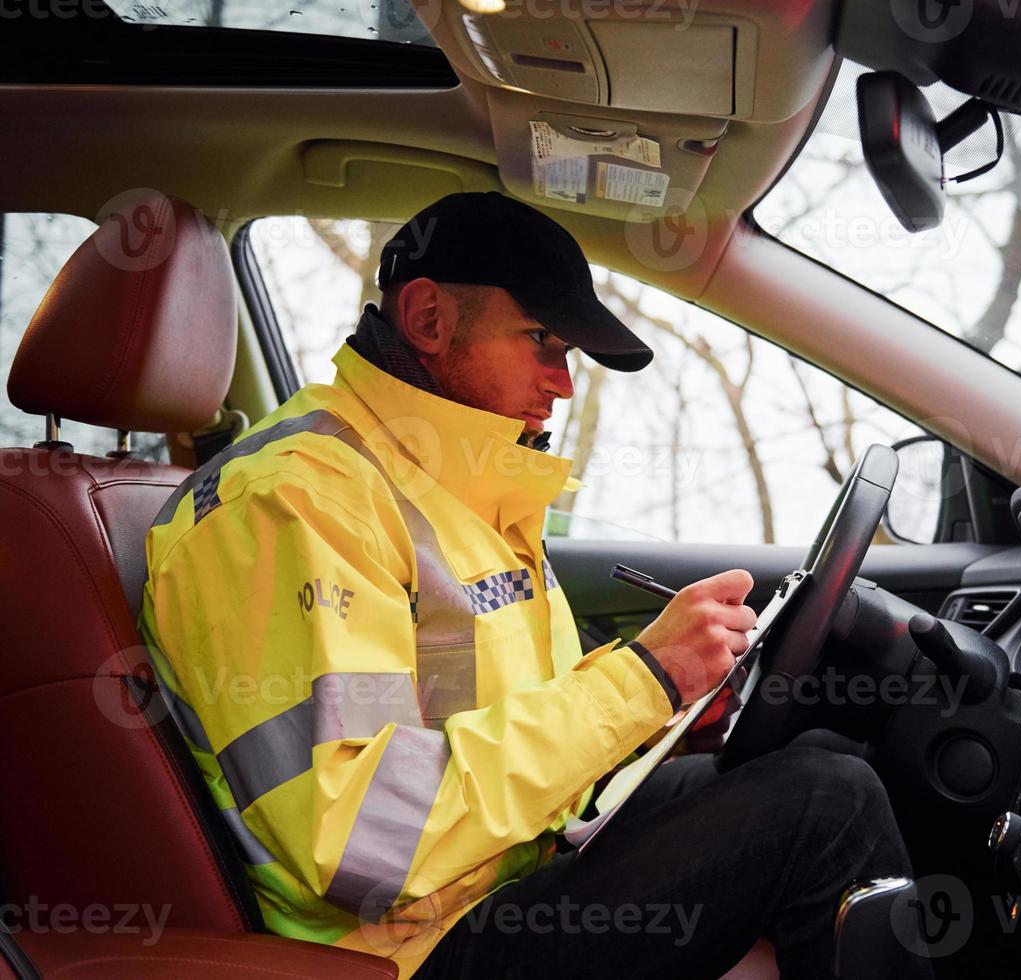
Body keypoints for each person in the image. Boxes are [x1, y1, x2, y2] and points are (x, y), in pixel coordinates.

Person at [140, 191, 917, 979]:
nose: (563, 383)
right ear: (428, 318)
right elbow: (365, 836)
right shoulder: (294, 503)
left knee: (817, 748)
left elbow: (489, 710)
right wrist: (640, 681)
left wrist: (664, 700)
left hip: (503, 862)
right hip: (403, 946)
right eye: (541, 339)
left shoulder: (456, 481)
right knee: (828, 804)